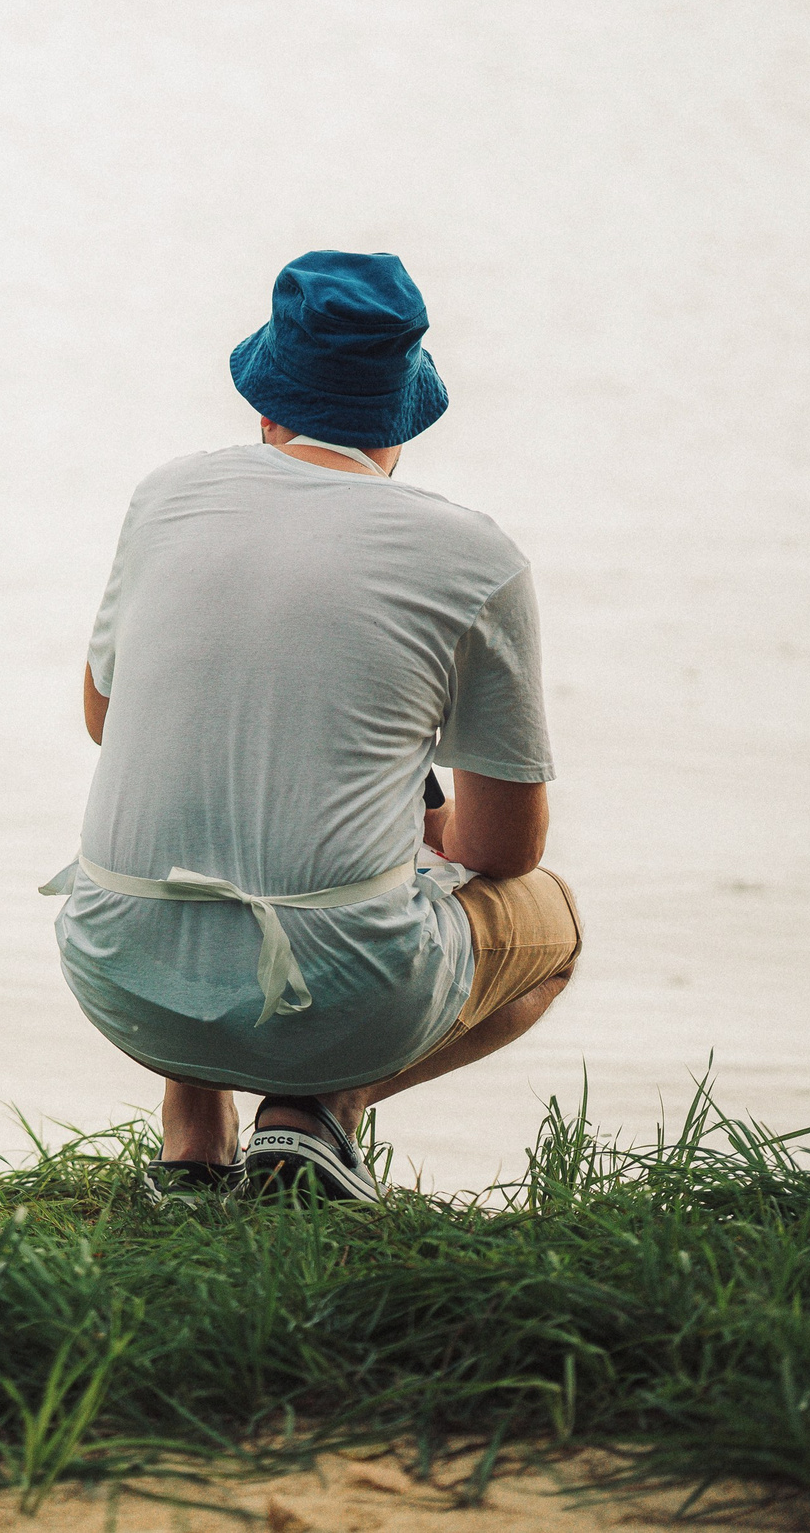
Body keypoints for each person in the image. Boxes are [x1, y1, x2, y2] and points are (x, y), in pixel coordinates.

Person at [45, 250, 582, 1201]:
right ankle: (316, 1114)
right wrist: (422, 831)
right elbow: (506, 849)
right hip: (344, 993)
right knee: (557, 929)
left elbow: (105, 719)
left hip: (118, 966)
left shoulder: (166, 497)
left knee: (216, 816)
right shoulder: (474, 555)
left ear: (265, 402)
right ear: (400, 425)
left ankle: (192, 1134)